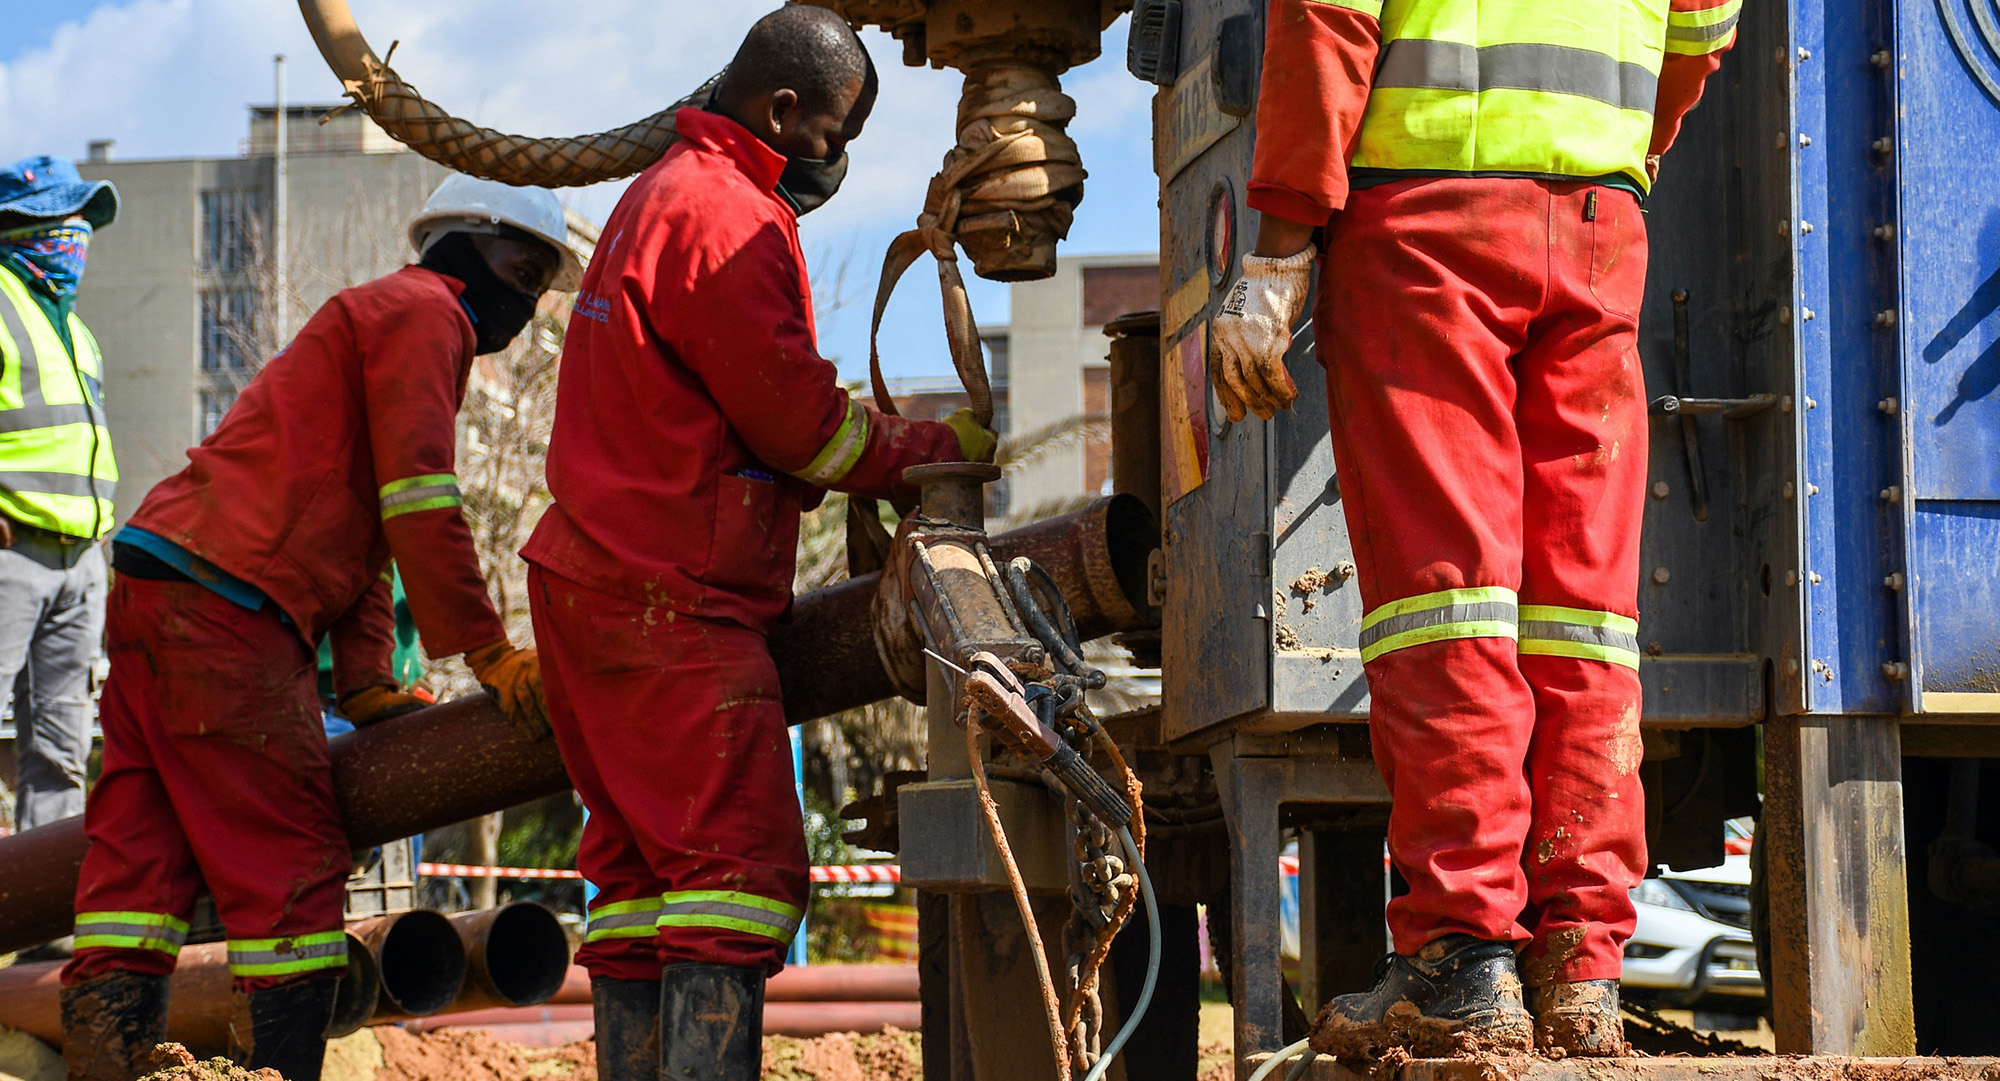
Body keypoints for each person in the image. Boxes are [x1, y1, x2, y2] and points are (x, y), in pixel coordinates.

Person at [1211, 0, 1739, 1058]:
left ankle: (1459, 951)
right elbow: (1699, 36)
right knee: (1581, 613)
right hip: (1597, 224)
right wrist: (1602, 149)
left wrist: (1275, 250)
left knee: (1442, 598)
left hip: (1427, 222)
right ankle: (1577, 959)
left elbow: (1323, 19)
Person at [520, 8, 995, 1080]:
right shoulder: (723, 212)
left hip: (592, 577)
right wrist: (932, 451)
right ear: (781, 111)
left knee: (642, 874)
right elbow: (799, 422)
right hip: (668, 594)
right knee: (733, 869)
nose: (834, 158)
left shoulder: (657, 194)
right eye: (834, 132)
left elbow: (719, 412)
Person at [57, 173, 580, 1081]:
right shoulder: (428, 315)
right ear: (459, 243)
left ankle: (106, 1063)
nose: (526, 297)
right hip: (230, 604)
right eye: (519, 267)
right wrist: (488, 648)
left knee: (138, 863)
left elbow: (371, 524)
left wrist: (366, 677)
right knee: (293, 858)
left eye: (540, 280)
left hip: (158, 581)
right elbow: (419, 499)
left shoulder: (381, 312)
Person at [0, 156, 118, 842]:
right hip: (14, 553)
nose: (77, 236)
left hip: (81, 563)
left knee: (60, 752)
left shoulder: (76, 330)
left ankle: (44, 931)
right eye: (63, 219)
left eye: (83, 223)